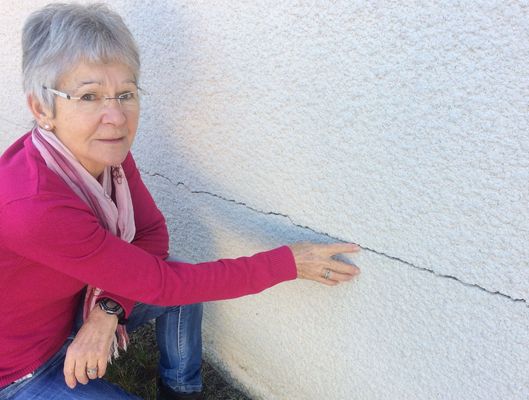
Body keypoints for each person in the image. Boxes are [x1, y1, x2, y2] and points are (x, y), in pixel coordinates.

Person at [0, 3, 360, 400]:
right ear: (41, 108)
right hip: (18, 369)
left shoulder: (104, 156)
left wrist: (106, 312)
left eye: (125, 93)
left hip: (64, 316)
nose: (116, 116)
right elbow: (162, 284)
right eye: (89, 96)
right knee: (176, 286)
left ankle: (181, 392)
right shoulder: (34, 207)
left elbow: (153, 234)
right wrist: (288, 262)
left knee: (184, 291)